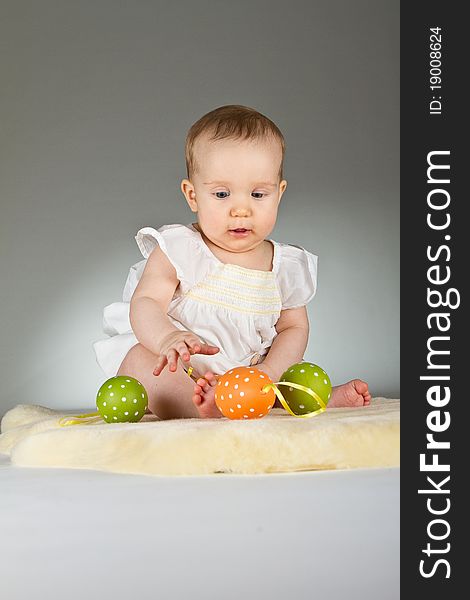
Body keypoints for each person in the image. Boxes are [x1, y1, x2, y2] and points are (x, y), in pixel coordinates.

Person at [93, 105, 371, 420]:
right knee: (142, 365)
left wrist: (268, 370)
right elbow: (145, 302)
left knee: (288, 374)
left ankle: (292, 397)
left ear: (278, 195)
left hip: (249, 373)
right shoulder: (180, 248)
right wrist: (167, 338)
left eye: (257, 194)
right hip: (183, 367)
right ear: (193, 195)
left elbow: (294, 327)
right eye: (223, 194)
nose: (241, 209)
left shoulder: (284, 265)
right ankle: (203, 406)